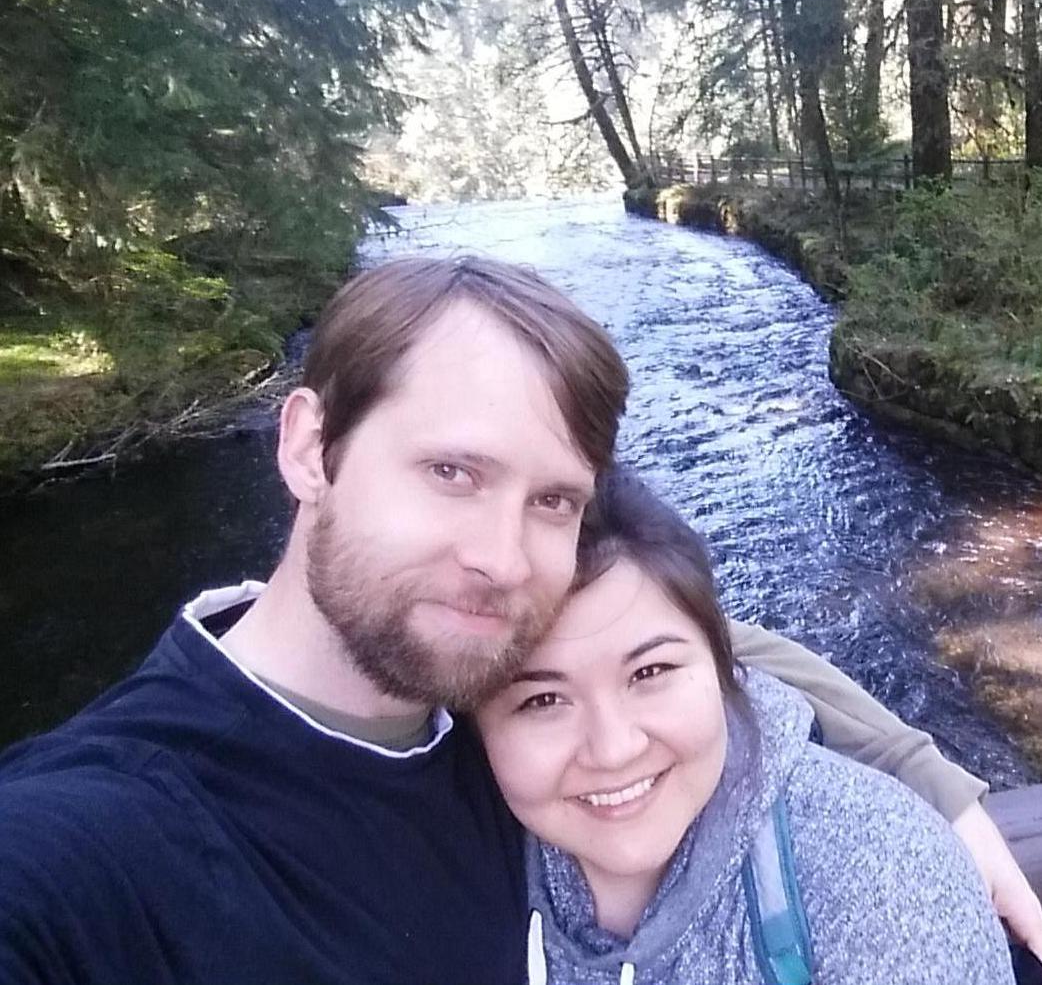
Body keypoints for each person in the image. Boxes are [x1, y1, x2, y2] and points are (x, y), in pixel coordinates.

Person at [0, 256, 1037, 985]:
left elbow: (692, 644)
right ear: (311, 449)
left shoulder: (487, 708)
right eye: (452, 470)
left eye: (553, 500)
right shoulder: (87, 847)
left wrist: (923, 777)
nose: (501, 559)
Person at [475, 468, 1017, 984]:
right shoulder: (438, 860)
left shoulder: (883, 882)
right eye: (543, 699)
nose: (613, 748)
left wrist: (913, 765)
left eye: (650, 671)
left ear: (722, 666)